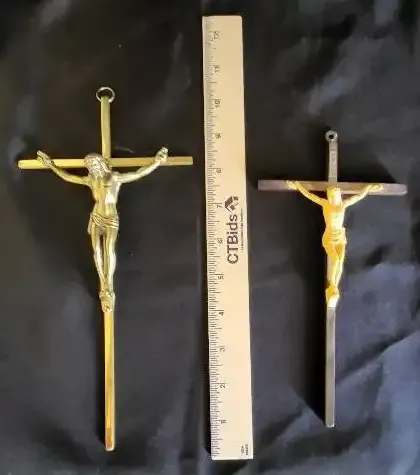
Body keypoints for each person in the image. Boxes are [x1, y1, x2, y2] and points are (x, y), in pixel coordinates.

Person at [37, 147, 168, 313]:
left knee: (108, 248)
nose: (92, 167)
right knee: (97, 251)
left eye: (94, 164)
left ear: (101, 163)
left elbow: (137, 173)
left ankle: (109, 283)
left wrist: (156, 162)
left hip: (111, 218)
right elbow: (69, 177)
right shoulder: (91, 180)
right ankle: (103, 284)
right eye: (89, 165)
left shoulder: (114, 177)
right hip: (97, 216)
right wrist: (51, 165)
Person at [286, 181, 382, 307]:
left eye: (336, 194)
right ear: (330, 196)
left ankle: (334, 289)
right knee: (335, 260)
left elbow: (358, 197)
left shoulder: (343, 205)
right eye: (333, 194)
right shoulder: (325, 204)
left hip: (340, 237)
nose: (335, 196)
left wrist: (368, 188)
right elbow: (310, 196)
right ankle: (331, 286)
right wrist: (298, 186)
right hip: (330, 238)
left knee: (340, 262)